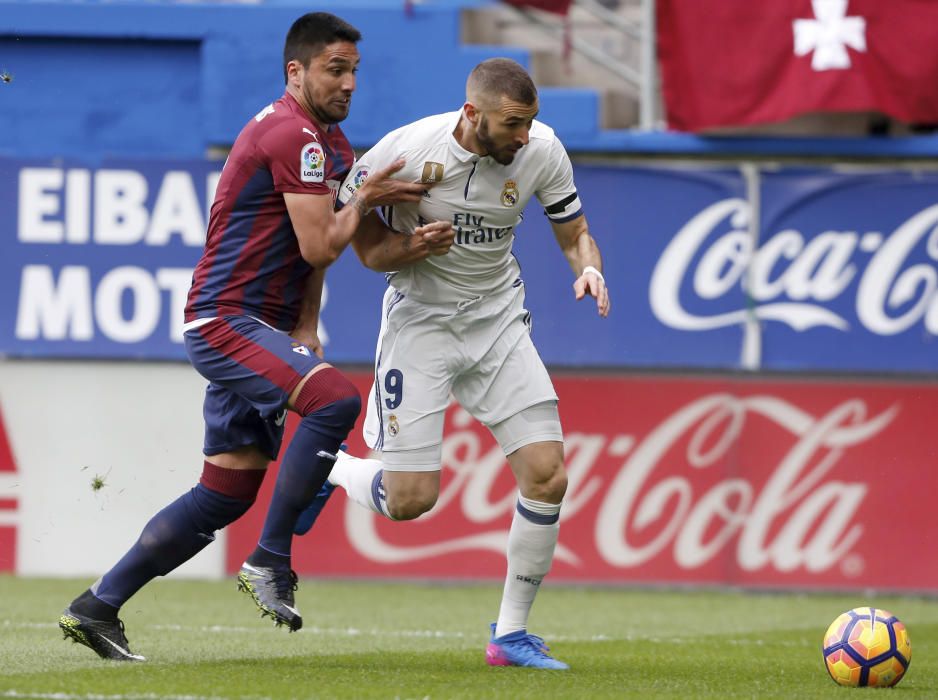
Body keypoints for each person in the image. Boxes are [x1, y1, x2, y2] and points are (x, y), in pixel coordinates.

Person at [57, 12, 452, 661]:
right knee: (335, 402)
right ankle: (271, 559)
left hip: (263, 327)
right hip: (226, 319)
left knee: (225, 494)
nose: (349, 82)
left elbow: (356, 252)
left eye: (354, 70)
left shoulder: (332, 146)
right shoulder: (292, 136)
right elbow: (322, 237)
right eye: (335, 68)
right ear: (294, 71)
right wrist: (369, 192)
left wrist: (412, 245)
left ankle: (98, 605)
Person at [296, 57, 610, 670]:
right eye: (513, 123)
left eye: (531, 123)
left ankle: (510, 636)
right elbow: (351, 243)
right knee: (411, 499)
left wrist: (589, 268)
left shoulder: (542, 150)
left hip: (497, 321)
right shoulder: (406, 150)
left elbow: (575, 232)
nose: (524, 136)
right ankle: (326, 469)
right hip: (422, 323)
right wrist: (407, 245)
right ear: (473, 114)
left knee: (548, 473)